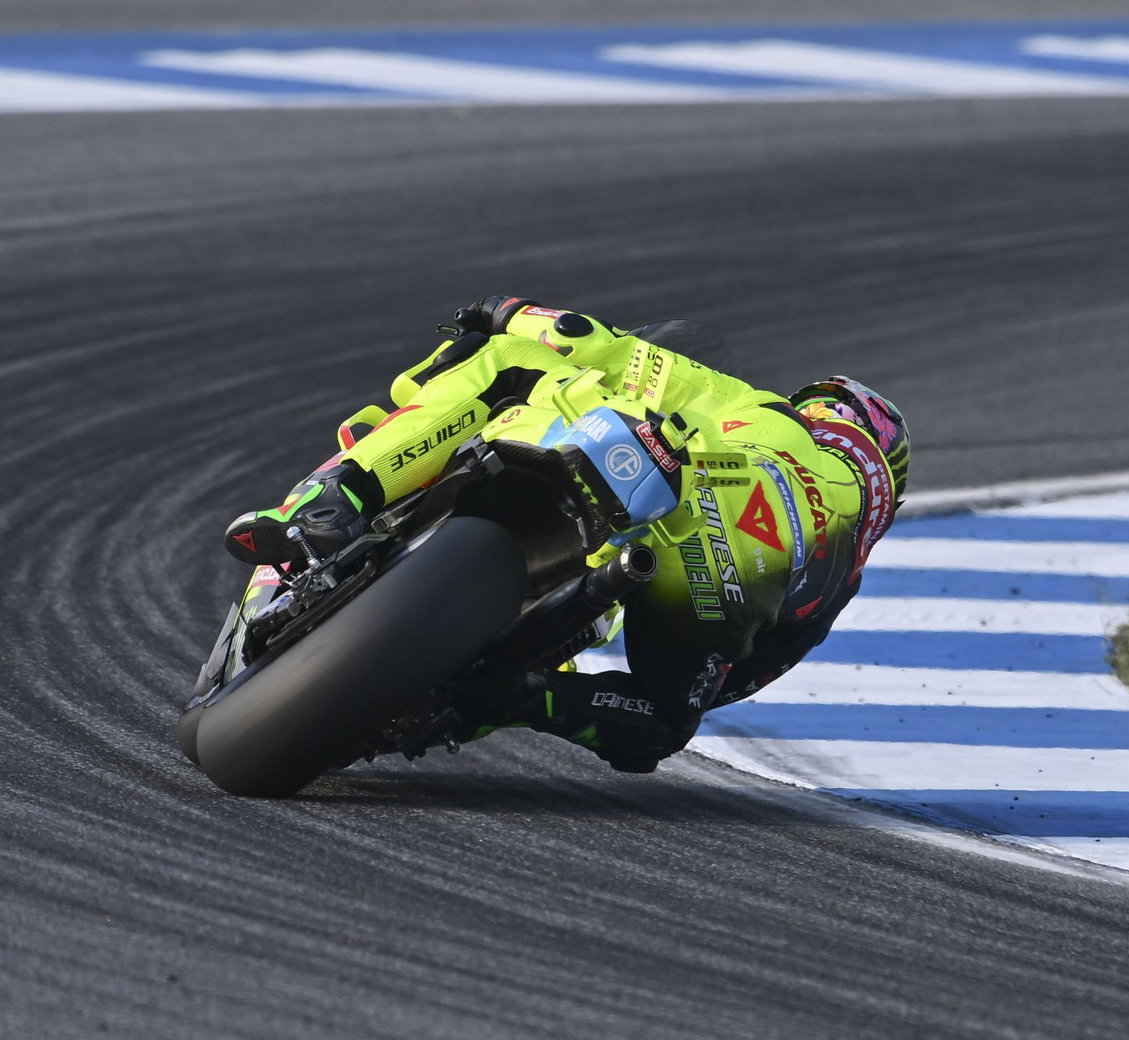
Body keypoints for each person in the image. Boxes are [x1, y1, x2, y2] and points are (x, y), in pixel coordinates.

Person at [223, 297, 909, 774]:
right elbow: (727, 684)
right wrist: (581, 691)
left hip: (652, 479)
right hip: (713, 582)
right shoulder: (840, 574)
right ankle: (506, 698)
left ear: (826, 413)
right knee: (657, 717)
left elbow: (599, 343)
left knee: (505, 362)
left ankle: (332, 499)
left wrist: (507, 310)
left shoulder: (771, 416)